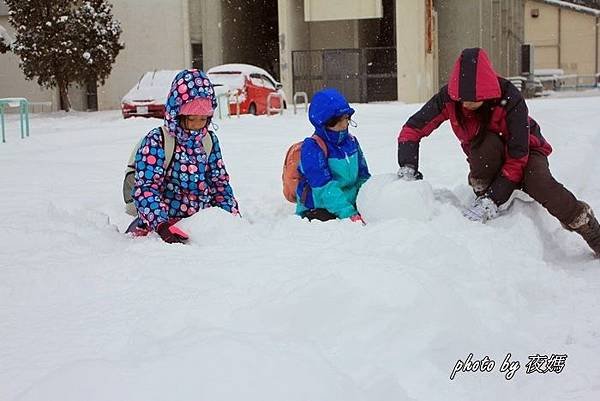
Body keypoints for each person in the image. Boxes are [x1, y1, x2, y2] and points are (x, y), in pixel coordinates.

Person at [396, 47, 600, 256]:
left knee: (539, 182)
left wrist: (494, 198)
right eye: (462, 99)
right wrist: (408, 166)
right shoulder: (449, 99)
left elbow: (519, 155)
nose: (465, 104)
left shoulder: (510, 97)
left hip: (526, 151)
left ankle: (585, 224)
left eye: (473, 99)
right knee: (486, 145)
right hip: (486, 155)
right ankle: (486, 192)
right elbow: (412, 129)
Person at [126, 69, 239, 243]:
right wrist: (162, 226)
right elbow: (146, 188)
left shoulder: (209, 141)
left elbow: (219, 185)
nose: (196, 126)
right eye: (191, 119)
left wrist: (231, 218)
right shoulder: (158, 141)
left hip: (201, 225)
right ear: (177, 114)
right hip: (162, 227)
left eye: (203, 120)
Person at [296, 88, 371, 223]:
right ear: (323, 122)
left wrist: (368, 201)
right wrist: (349, 213)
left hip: (350, 206)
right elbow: (324, 188)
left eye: (346, 118)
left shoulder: (352, 142)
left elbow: (363, 177)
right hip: (319, 209)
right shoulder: (313, 148)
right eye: (337, 121)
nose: (344, 125)